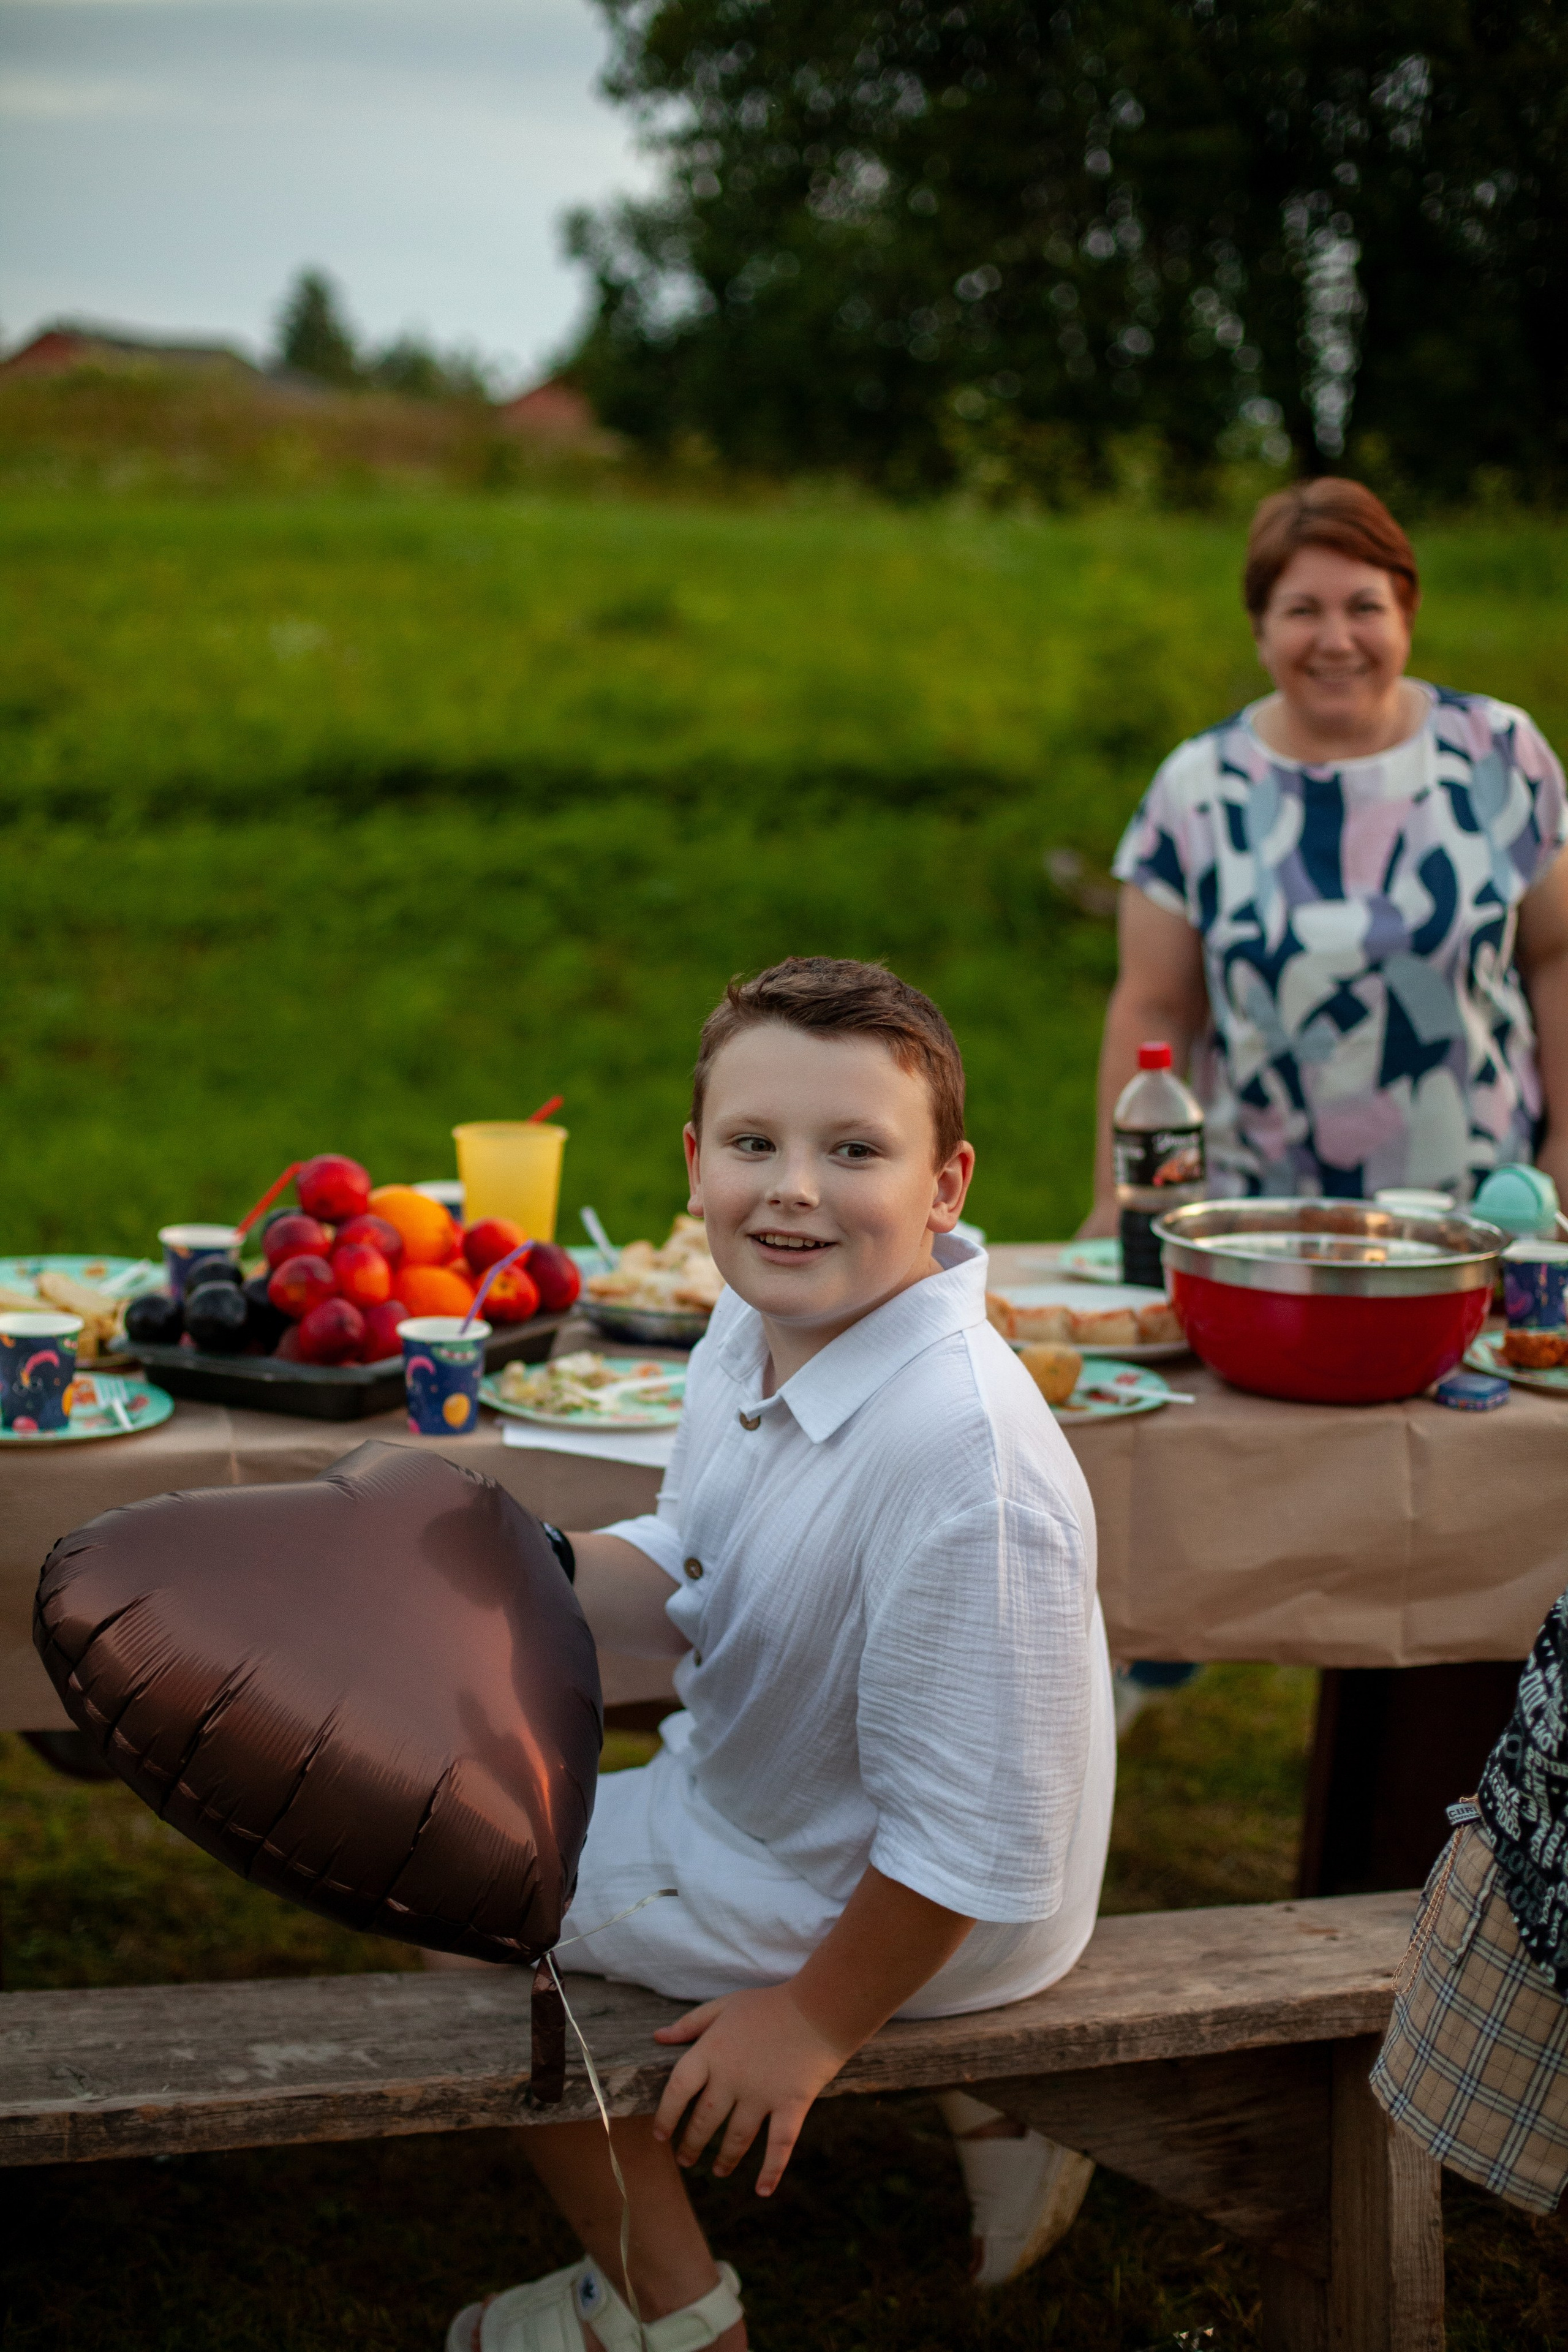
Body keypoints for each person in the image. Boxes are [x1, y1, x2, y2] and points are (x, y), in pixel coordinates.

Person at [447, 957, 1115, 2352]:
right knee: (460, 1801)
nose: (791, 1187)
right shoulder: (756, 1321)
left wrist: (808, 2023)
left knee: (456, 1884)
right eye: (752, 1143)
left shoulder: (959, 1456)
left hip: (900, 1909)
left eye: (853, 1150)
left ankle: (670, 2315)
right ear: (694, 1164)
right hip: (790, 1826)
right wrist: (527, 1573)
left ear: (946, 1184)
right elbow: (697, 1551)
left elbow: (976, 1836)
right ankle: (990, 2122)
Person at [1080, 476, 1568, 1232]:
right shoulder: (1197, 787)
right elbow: (1154, 1006)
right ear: (1260, 629)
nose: (1335, 640)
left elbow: (1557, 960)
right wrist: (1118, 1206)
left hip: (1482, 1225)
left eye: (1363, 607)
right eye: (1302, 611)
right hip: (1253, 1230)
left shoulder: (1501, 754)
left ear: (1405, 614)